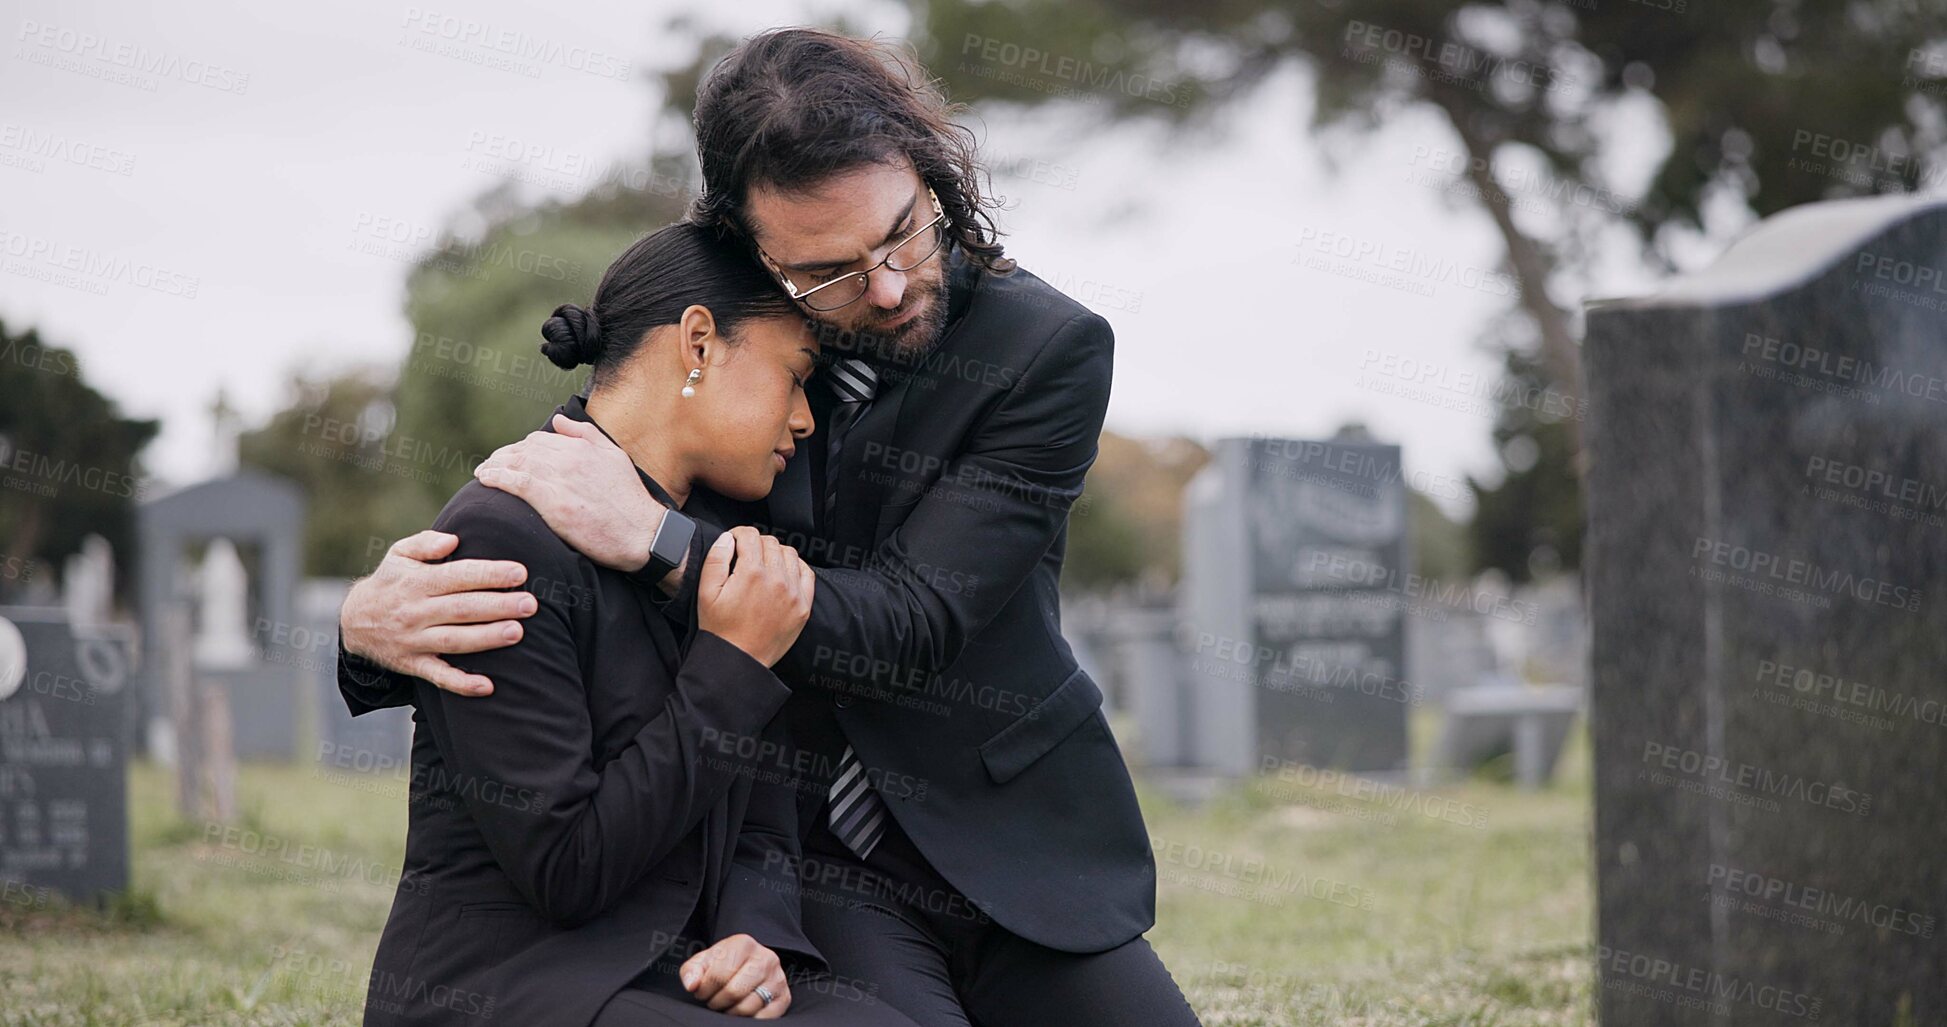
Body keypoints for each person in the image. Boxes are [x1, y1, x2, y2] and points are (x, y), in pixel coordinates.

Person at [341, 29, 1203, 1027]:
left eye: (902, 234)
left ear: (934, 173)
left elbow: (914, 619)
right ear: (747, 254)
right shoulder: (724, 337)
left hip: (1006, 830)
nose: (883, 287)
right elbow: (582, 475)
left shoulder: (1047, 348)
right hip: (803, 859)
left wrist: (666, 546)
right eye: (829, 271)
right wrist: (365, 633)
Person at [360, 221, 917, 1027]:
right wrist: (731, 661)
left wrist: (754, 936)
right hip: (515, 987)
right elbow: (565, 868)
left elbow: (762, 815)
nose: (804, 419)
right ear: (698, 341)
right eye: (796, 377)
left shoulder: (719, 547)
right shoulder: (502, 537)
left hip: (669, 975)